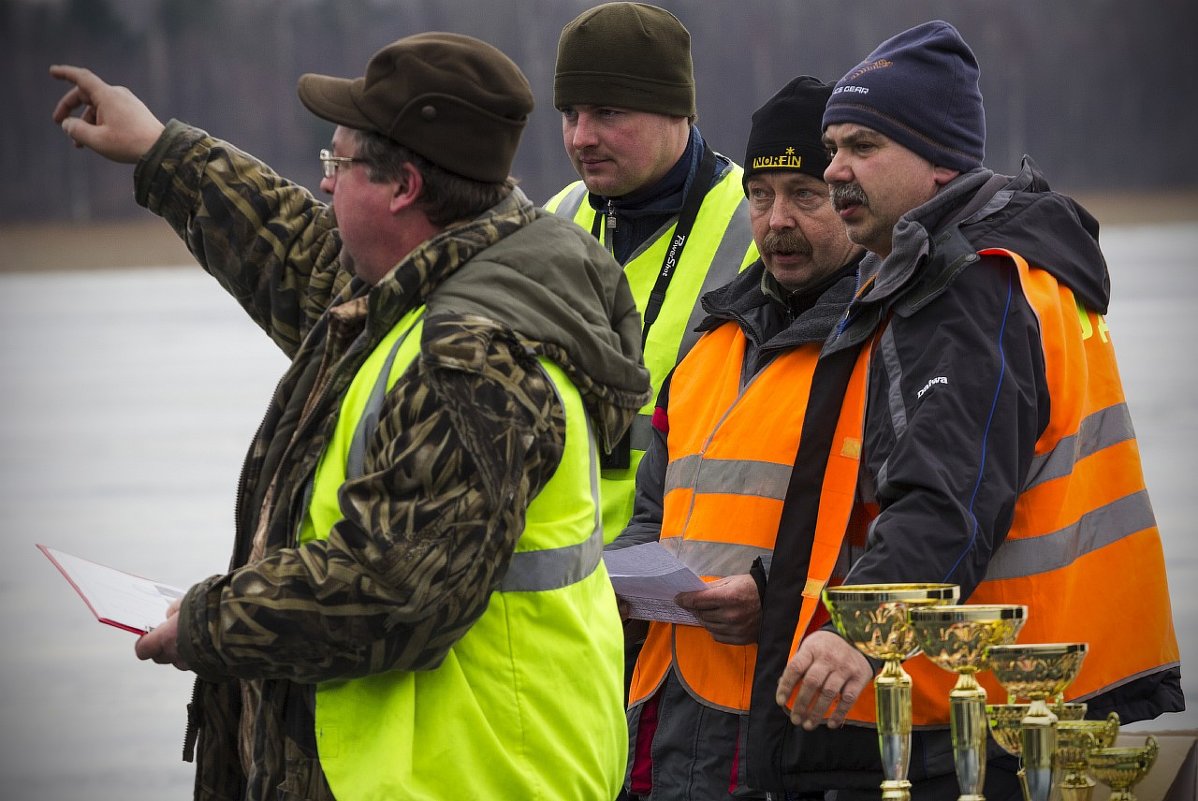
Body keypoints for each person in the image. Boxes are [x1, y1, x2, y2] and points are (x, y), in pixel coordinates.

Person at [50, 32, 650, 801]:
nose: (324, 188)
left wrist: (207, 623)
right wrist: (162, 151)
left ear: (402, 187)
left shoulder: (469, 358)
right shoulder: (444, 279)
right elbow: (295, 255)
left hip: (465, 779)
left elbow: (391, 588)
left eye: (335, 166)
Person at [746, 20, 1185, 800]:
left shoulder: (971, 284)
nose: (836, 168)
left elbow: (950, 494)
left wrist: (857, 631)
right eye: (833, 147)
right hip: (1030, 699)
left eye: (862, 148)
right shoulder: (998, 265)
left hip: (980, 716)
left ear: (939, 158)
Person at [608, 76, 866, 801]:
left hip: (791, 732)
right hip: (661, 716)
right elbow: (654, 517)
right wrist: (614, 584)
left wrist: (771, 598)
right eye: (760, 195)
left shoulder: (883, 342)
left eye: (804, 195)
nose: (777, 220)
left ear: (851, 195)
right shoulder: (708, 344)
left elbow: (914, 544)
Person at [545, 1, 757, 542]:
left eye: (608, 113)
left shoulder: (759, 228)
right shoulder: (554, 220)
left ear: (677, 111)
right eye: (570, 114)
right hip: (558, 579)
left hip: (682, 574)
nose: (580, 138)